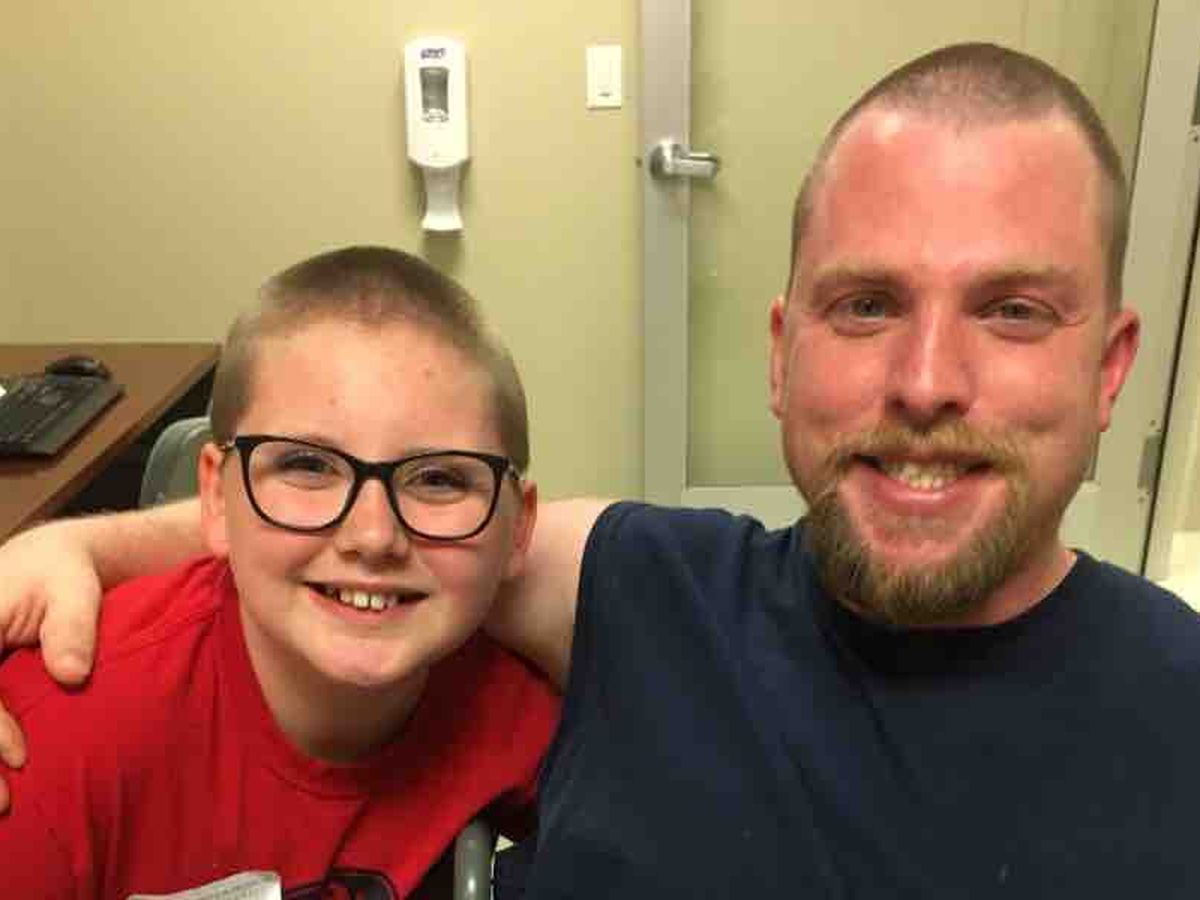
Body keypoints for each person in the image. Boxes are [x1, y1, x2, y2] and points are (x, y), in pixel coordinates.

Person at [3, 42, 1200, 896]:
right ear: (782, 354)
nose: (928, 380)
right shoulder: (636, 589)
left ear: (1109, 368)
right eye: (868, 304)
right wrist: (67, 551)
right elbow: (371, 523)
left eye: (1013, 311)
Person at [0, 246, 558, 897]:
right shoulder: (51, 749)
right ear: (216, 497)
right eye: (307, 466)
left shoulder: (529, 698)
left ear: (518, 526)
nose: (373, 537)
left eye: (438, 479)